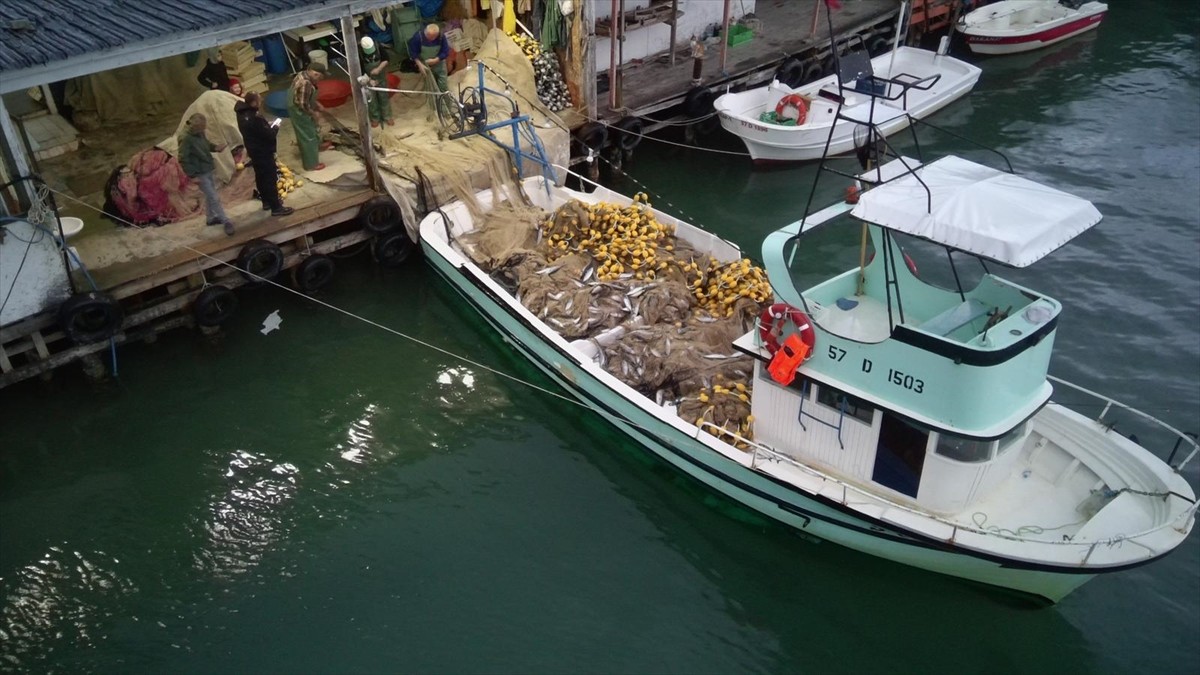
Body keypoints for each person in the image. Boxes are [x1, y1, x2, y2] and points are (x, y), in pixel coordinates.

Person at [235, 92, 294, 217]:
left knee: (260, 177)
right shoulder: (255, 118)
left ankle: (266, 201)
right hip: (263, 152)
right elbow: (269, 135)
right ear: (254, 102)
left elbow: (256, 130)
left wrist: (265, 125)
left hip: (253, 151)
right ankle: (276, 207)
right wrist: (275, 126)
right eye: (259, 100)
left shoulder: (241, 114)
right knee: (270, 179)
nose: (261, 101)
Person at [178, 113, 235, 235]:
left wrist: (215, 148)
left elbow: (205, 144)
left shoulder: (199, 132)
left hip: (207, 167)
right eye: (202, 127)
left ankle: (210, 218)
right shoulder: (185, 138)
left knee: (210, 196)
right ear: (195, 126)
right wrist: (192, 175)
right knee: (214, 197)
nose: (204, 129)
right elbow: (183, 158)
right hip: (199, 172)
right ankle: (225, 221)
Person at [288, 61, 334, 171]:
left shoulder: (303, 74)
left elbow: (305, 96)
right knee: (307, 135)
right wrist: (314, 114)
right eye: (319, 76)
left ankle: (318, 145)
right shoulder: (305, 83)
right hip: (299, 110)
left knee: (313, 127)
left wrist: (317, 104)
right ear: (314, 73)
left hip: (301, 104)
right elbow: (303, 104)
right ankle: (311, 164)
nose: (319, 79)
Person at [407, 23, 451, 113]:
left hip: (439, 64)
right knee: (430, 87)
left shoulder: (441, 37)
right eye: (427, 35)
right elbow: (413, 53)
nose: (428, 38)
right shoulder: (418, 37)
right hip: (425, 66)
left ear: (436, 35)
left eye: (431, 37)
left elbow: (445, 51)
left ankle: (446, 110)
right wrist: (419, 64)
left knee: (443, 87)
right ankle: (433, 109)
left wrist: (437, 59)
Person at [359, 36, 392, 127]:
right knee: (371, 100)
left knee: (384, 97)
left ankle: (387, 116)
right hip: (368, 80)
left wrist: (378, 68)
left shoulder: (378, 46)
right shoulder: (359, 53)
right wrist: (369, 80)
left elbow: (386, 59)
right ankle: (375, 118)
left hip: (381, 77)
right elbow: (360, 72)